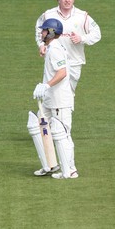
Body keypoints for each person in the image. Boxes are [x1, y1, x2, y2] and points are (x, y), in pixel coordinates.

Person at [27, 18, 77, 179]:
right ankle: (49, 164)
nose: (41, 33)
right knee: (38, 126)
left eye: (43, 30)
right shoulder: (51, 47)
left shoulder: (55, 49)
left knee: (63, 134)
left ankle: (70, 170)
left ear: (51, 32)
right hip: (49, 100)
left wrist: (46, 85)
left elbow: (62, 73)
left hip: (59, 101)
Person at [35, 0, 101, 94]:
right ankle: (42, 112)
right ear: (58, 0)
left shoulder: (82, 16)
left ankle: (45, 112)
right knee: (50, 92)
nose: (67, 0)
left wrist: (82, 38)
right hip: (53, 60)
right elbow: (39, 30)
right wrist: (41, 44)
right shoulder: (48, 15)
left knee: (68, 94)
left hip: (74, 62)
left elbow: (97, 33)